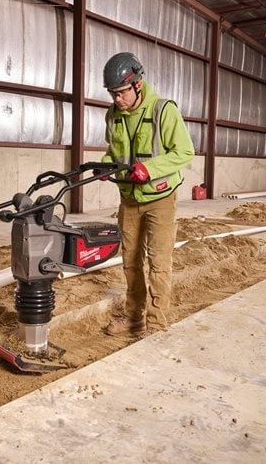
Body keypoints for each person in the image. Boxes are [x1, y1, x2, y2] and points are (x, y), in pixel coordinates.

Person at [96, 52, 194, 336]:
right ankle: (134, 317)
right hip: (129, 199)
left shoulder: (164, 110)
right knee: (130, 261)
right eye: (112, 94)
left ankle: (156, 324)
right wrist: (105, 166)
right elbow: (113, 152)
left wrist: (149, 169)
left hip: (160, 199)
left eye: (122, 92)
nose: (117, 99)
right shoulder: (113, 115)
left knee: (159, 262)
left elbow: (185, 152)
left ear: (138, 84)